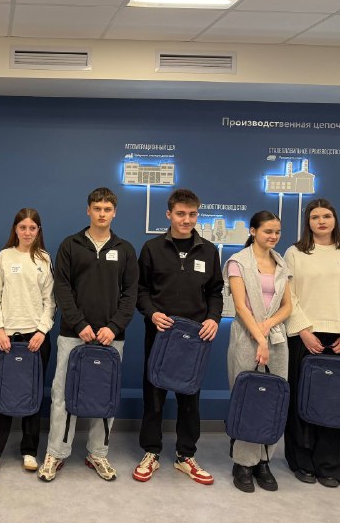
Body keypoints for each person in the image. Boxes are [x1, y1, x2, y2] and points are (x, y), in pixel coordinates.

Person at [38, 187, 138, 482]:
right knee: (62, 394)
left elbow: (130, 294)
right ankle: (56, 452)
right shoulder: (71, 245)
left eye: (107, 209)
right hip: (73, 334)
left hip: (111, 337)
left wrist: (114, 327)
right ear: (88, 211)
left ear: (114, 213)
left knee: (105, 395)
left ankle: (98, 453)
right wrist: (79, 323)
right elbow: (62, 289)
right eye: (97, 208)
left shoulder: (125, 249)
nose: (102, 214)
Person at [135, 188, 223, 485]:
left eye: (192, 214)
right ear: (169, 214)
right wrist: (151, 313)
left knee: (189, 399)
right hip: (161, 334)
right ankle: (151, 452)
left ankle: (186, 455)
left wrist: (213, 318)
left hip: (195, 337)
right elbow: (140, 290)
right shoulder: (152, 248)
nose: (187, 220)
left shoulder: (208, 250)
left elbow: (215, 292)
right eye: (181, 214)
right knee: (154, 397)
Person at [283, 198, 340, 488]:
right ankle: (303, 462)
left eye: (326, 216)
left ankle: (332, 465)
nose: (321, 221)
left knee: (336, 404)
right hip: (305, 337)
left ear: (335, 220)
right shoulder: (295, 253)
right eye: (315, 217)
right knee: (302, 401)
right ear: (307, 222)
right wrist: (303, 331)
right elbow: (288, 296)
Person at [0, 208, 55, 476]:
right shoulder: (5, 256)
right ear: (15, 229)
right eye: (22, 227)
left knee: (32, 395)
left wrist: (42, 331)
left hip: (36, 339)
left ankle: (29, 451)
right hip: (6, 339)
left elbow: (50, 300)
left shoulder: (44, 258)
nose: (27, 232)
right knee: (1, 393)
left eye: (32, 228)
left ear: (38, 231)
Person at [224, 211, 292, 492]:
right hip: (246, 337)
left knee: (273, 400)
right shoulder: (237, 262)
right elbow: (241, 306)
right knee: (247, 400)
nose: (273, 236)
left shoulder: (282, 263)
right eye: (268, 231)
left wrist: (267, 327)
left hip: (276, 338)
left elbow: (288, 306)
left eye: (277, 232)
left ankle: (264, 461)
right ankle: (243, 463)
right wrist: (259, 338)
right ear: (253, 231)